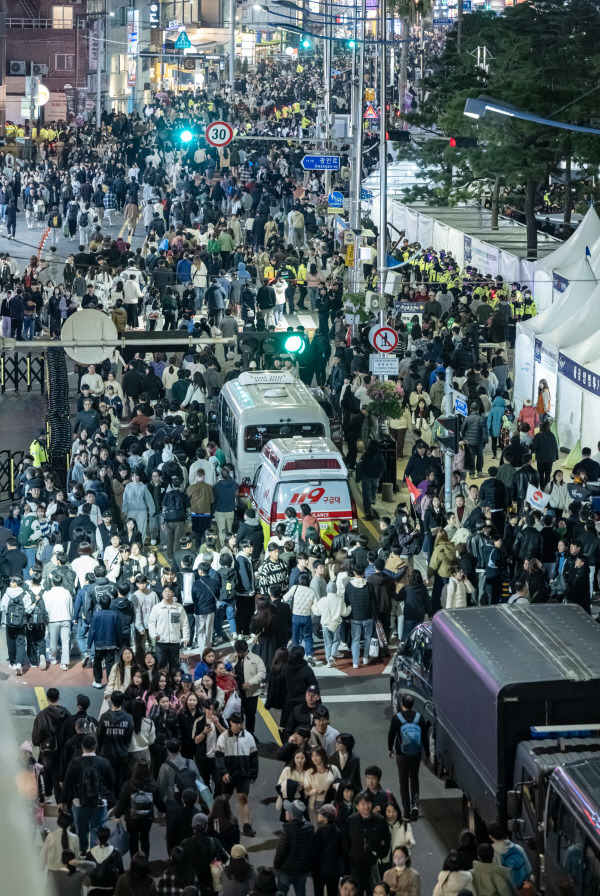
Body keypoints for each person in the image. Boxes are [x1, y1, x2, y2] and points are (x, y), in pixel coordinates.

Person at [59, 733, 115, 855]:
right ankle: (96, 852)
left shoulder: (75, 762)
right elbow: (111, 781)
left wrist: (62, 800)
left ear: (82, 747)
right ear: (95, 747)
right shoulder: (104, 762)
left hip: (79, 803)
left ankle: (82, 851)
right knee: (98, 828)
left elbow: (68, 783)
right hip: (99, 802)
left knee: (81, 829)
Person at [215, 711, 259, 838]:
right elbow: (219, 757)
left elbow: (254, 757)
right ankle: (221, 823)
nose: (240, 725)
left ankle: (246, 825)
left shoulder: (249, 737)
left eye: (241, 722)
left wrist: (254, 773)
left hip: (244, 773)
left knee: (243, 798)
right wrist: (223, 772)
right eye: (237, 723)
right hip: (229, 774)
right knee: (224, 799)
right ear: (230, 723)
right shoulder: (223, 737)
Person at [111, 759, 165, 857]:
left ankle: (134, 862)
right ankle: (145, 860)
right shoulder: (152, 784)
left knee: (133, 840)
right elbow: (159, 803)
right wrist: (165, 810)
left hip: (132, 819)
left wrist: (117, 815)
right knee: (145, 838)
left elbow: (122, 802)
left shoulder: (128, 785)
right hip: (147, 818)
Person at [342, 791, 391, 896]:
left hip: (373, 864)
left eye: (368, 803)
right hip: (355, 864)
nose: (366, 807)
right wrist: (350, 853)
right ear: (357, 806)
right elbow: (345, 839)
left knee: (373, 890)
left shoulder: (380, 820)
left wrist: (380, 854)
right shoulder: (351, 820)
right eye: (362, 804)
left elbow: (387, 839)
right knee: (356, 891)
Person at [387, 694, 422, 822]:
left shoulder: (397, 718)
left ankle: (406, 812)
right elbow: (423, 737)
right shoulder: (419, 718)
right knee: (414, 777)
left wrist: (390, 748)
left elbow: (391, 735)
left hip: (402, 754)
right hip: (415, 755)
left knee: (403, 781)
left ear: (402, 704)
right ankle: (415, 805)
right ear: (413, 704)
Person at [274, 799, 315, 896]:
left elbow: (281, 851)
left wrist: (276, 866)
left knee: (281, 892)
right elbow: (312, 850)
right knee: (300, 892)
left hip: (286, 871)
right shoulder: (309, 828)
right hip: (302, 871)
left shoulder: (287, 831)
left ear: (292, 814)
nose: (285, 812)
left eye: (287, 811)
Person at [180, 812, 229, 894]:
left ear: (193, 826)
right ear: (206, 826)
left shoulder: (185, 843)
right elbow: (225, 858)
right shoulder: (214, 841)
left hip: (192, 882)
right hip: (210, 882)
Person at [225, 639, 266, 736]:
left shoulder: (256, 659)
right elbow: (222, 667)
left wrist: (250, 682)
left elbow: (262, 673)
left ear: (247, 649)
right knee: (237, 714)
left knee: (251, 715)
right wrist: (228, 673)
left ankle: (251, 733)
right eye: (238, 652)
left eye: (242, 652)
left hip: (251, 693)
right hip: (236, 694)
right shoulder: (230, 657)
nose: (241, 655)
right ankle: (238, 732)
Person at [148, 585, 190, 671]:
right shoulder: (157, 608)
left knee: (174, 666)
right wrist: (154, 635)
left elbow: (185, 623)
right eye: (165, 591)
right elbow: (151, 623)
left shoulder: (179, 607)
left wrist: (185, 637)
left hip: (175, 642)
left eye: (169, 591)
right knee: (160, 665)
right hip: (161, 641)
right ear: (162, 593)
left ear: (173, 593)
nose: (167, 593)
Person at [357, 440, 386, 521]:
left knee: (366, 494)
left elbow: (360, 464)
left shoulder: (365, 454)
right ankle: (372, 498)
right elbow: (383, 466)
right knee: (374, 489)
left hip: (366, 476)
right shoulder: (379, 455)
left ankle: (367, 510)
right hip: (376, 477)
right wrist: (379, 472)